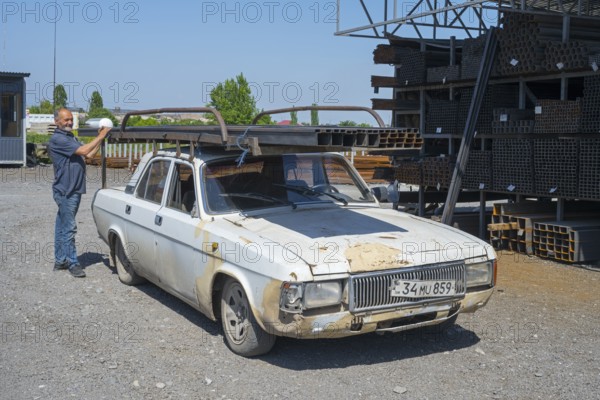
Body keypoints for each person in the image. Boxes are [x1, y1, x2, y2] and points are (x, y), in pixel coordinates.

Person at [48, 108, 111, 278]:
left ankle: (60, 260)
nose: (69, 122)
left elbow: (88, 154)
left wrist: (100, 139)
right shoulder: (58, 139)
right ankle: (73, 263)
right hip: (66, 190)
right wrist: (101, 135)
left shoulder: (69, 137)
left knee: (61, 225)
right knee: (69, 227)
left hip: (71, 189)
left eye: (70, 119)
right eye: (65, 120)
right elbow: (83, 151)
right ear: (57, 122)